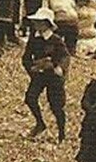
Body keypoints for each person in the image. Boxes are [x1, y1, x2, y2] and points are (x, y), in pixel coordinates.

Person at [21, 8, 71, 141]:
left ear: (46, 23)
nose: (35, 24)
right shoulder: (34, 38)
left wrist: (58, 67)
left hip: (54, 76)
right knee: (30, 98)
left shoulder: (56, 40)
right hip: (39, 75)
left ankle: (61, 133)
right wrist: (32, 69)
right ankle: (40, 123)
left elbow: (65, 57)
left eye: (38, 22)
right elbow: (26, 57)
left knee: (56, 105)